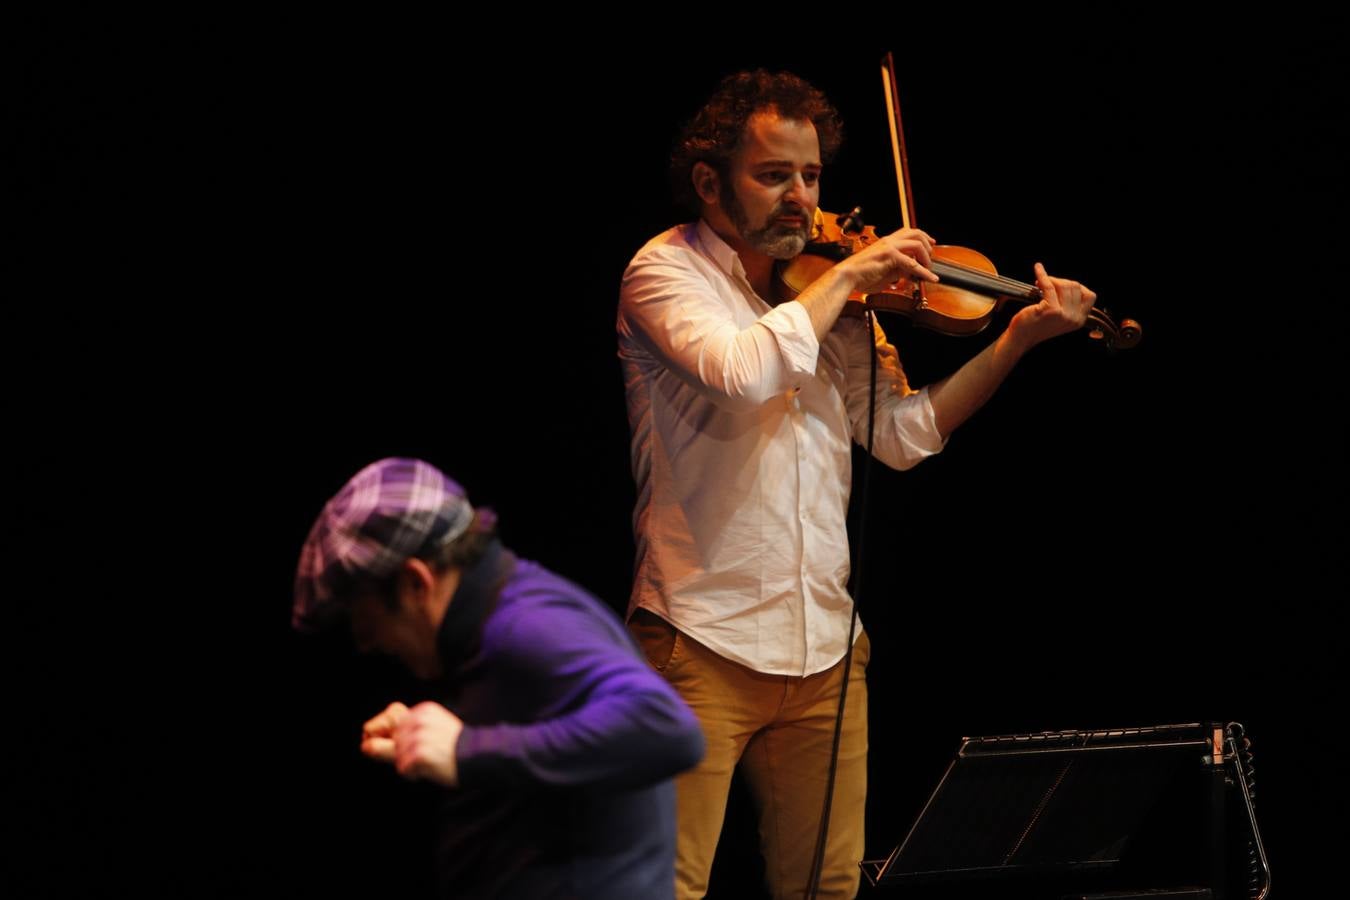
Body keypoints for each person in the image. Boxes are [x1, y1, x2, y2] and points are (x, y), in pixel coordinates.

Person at [616, 69, 1097, 898]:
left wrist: (1014, 340)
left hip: (827, 650)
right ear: (710, 180)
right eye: (773, 176)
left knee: (827, 888)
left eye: (810, 177)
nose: (802, 201)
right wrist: (848, 279)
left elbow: (905, 436)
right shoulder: (666, 273)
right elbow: (742, 372)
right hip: (697, 642)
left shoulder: (829, 296)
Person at [292, 457, 706, 899]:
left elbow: (667, 728)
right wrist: (440, 735)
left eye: (364, 622)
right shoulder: (495, 616)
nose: (366, 644)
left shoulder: (526, 627)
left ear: (416, 582)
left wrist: (467, 749)